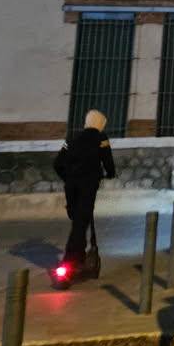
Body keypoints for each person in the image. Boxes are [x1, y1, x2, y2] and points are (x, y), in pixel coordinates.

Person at [54, 109, 115, 272]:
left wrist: (67, 177)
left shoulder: (72, 139)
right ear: (100, 124)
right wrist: (109, 174)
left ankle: (78, 256)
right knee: (80, 224)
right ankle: (70, 260)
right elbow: (107, 160)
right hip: (88, 185)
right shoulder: (101, 138)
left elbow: (58, 163)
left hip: (71, 185)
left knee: (78, 221)